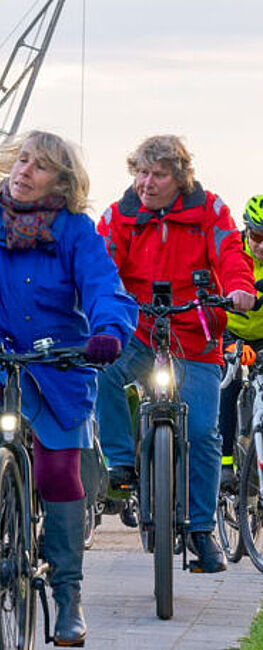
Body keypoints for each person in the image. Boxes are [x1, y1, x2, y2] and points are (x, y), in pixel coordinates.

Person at [0, 131, 136, 644]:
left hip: (59, 353)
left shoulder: (77, 230)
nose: (24, 171)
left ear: (61, 183)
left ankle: (68, 595)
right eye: (22, 160)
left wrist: (108, 331)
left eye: (39, 166)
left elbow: (104, 286)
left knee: (58, 474)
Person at [96, 135, 256, 573]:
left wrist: (239, 288)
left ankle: (201, 531)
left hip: (194, 333)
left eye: (158, 174)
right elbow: (102, 264)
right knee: (103, 369)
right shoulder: (120, 215)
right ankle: (120, 462)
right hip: (138, 328)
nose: (146, 183)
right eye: (141, 173)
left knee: (203, 432)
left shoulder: (210, 211)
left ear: (179, 178)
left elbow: (231, 253)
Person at [218, 195, 263, 483]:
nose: (262, 246)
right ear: (246, 230)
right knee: (229, 385)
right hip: (231, 331)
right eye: (257, 236)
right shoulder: (233, 251)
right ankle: (225, 464)